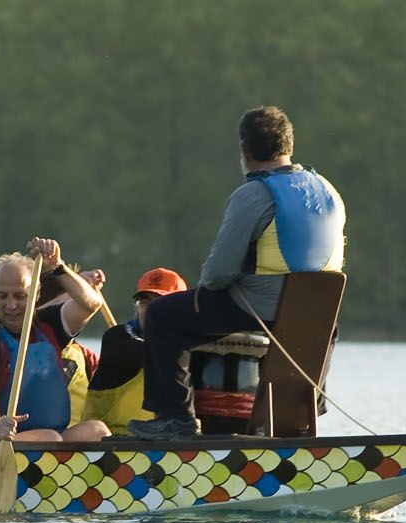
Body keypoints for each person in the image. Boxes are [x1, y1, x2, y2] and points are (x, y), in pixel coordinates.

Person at [130, 106, 345, 439]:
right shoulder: (329, 191)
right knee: (319, 328)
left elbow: (218, 274)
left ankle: (176, 421)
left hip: (260, 308)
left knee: (162, 316)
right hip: (319, 316)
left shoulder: (254, 194)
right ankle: (305, 422)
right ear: (289, 145)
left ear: (245, 151)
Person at [0, 239, 112, 443]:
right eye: (2, 296)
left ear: (36, 293)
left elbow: (90, 304)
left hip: (51, 439)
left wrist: (58, 267)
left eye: (20, 296)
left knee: (97, 430)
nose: (11, 305)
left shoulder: (49, 324)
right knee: (49, 437)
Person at [83, 267, 187, 431]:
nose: (152, 310)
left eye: (161, 303)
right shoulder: (116, 339)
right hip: (112, 443)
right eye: (145, 303)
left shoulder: (190, 346)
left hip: (172, 443)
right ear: (137, 308)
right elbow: (161, 352)